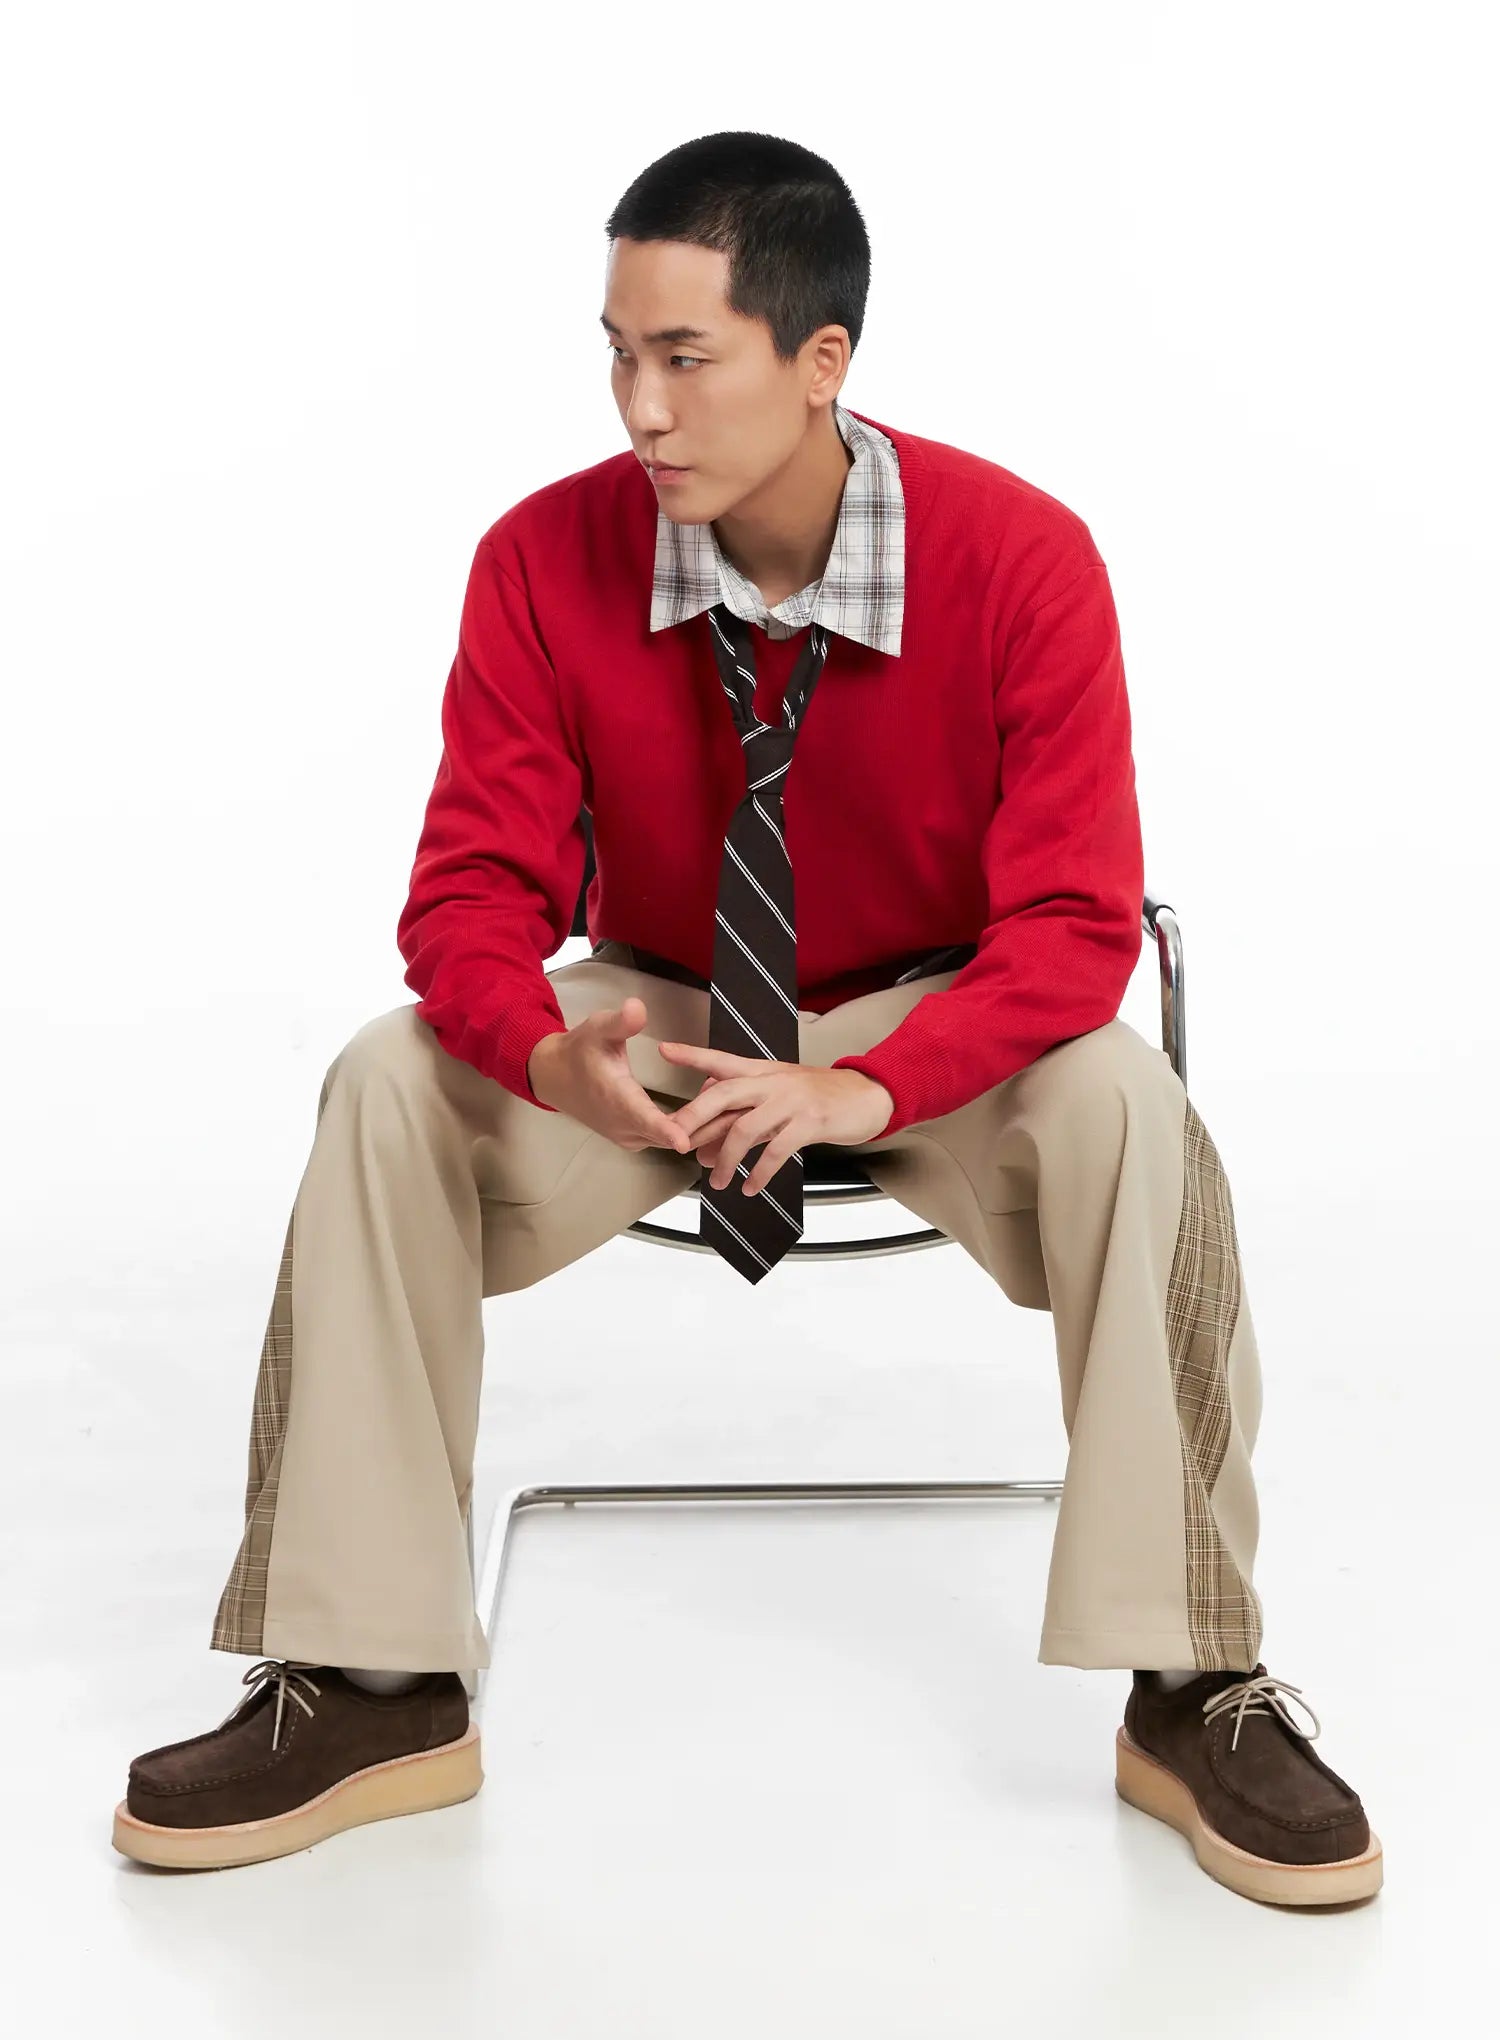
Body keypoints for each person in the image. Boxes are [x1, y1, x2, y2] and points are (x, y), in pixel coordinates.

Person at [112, 131, 1381, 1905]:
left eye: (685, 357)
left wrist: (871, 1090)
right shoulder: (541, 557)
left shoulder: (1021, 557)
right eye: (618, 354)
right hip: (664, 999)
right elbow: (469, 894)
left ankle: (1194, 1682)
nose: (642, 407)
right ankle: (375, 1679)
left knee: (1126, 1103)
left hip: (934, 1016)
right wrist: (544, 1052)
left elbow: (1078, 924)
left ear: (820, 359)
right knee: (388, 1079)